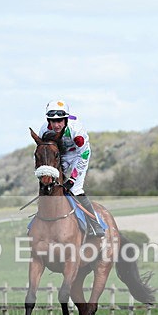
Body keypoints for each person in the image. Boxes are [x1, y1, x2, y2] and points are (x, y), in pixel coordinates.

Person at [39, 100, 105, 238]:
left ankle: (94, 223)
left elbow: (84, 154)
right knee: (51, 184)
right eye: (52, 121)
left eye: (60, 121)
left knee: (75, 189)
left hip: (78, 155)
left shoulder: (77, 130)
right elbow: (42, 152)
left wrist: (73, 178)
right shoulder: (44, 130)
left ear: (66, 119)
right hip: (60, 155)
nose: (56, 125)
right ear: (48, 120)